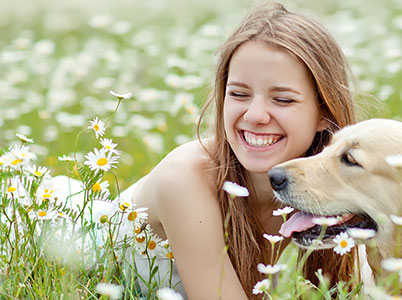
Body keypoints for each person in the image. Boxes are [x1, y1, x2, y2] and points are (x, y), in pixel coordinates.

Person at [129, 2, 360, 299]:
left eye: (283, 100)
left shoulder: (334, 190)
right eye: (238, 94)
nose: (254, 115)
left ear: (323, 114)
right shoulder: (184, 180)